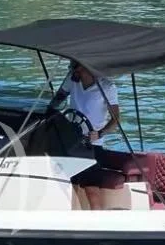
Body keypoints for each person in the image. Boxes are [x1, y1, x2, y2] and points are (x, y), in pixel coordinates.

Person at [49, 60, 121, 210]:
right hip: (71, 143)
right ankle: (75, 218)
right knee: (71, 185)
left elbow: (115, 120)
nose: (71, 70)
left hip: (92, 145)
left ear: (85, 67)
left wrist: (99, 133)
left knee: (91, 189)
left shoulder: (107, 87)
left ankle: (97, 220)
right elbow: (56, 101)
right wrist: (47, 111)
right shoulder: (72, 80)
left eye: (74, 67)